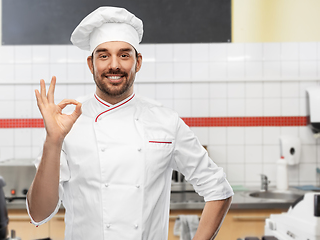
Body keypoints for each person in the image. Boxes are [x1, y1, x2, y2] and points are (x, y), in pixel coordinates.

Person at [27, 6, 234, 240]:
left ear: (138, 62)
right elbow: (38, 214)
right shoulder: (67, 122)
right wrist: (53, 141)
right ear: (90, 63)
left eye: (124, 55)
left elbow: (219, 189)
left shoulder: (165, 121)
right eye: (103, 55)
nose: (114, 65)